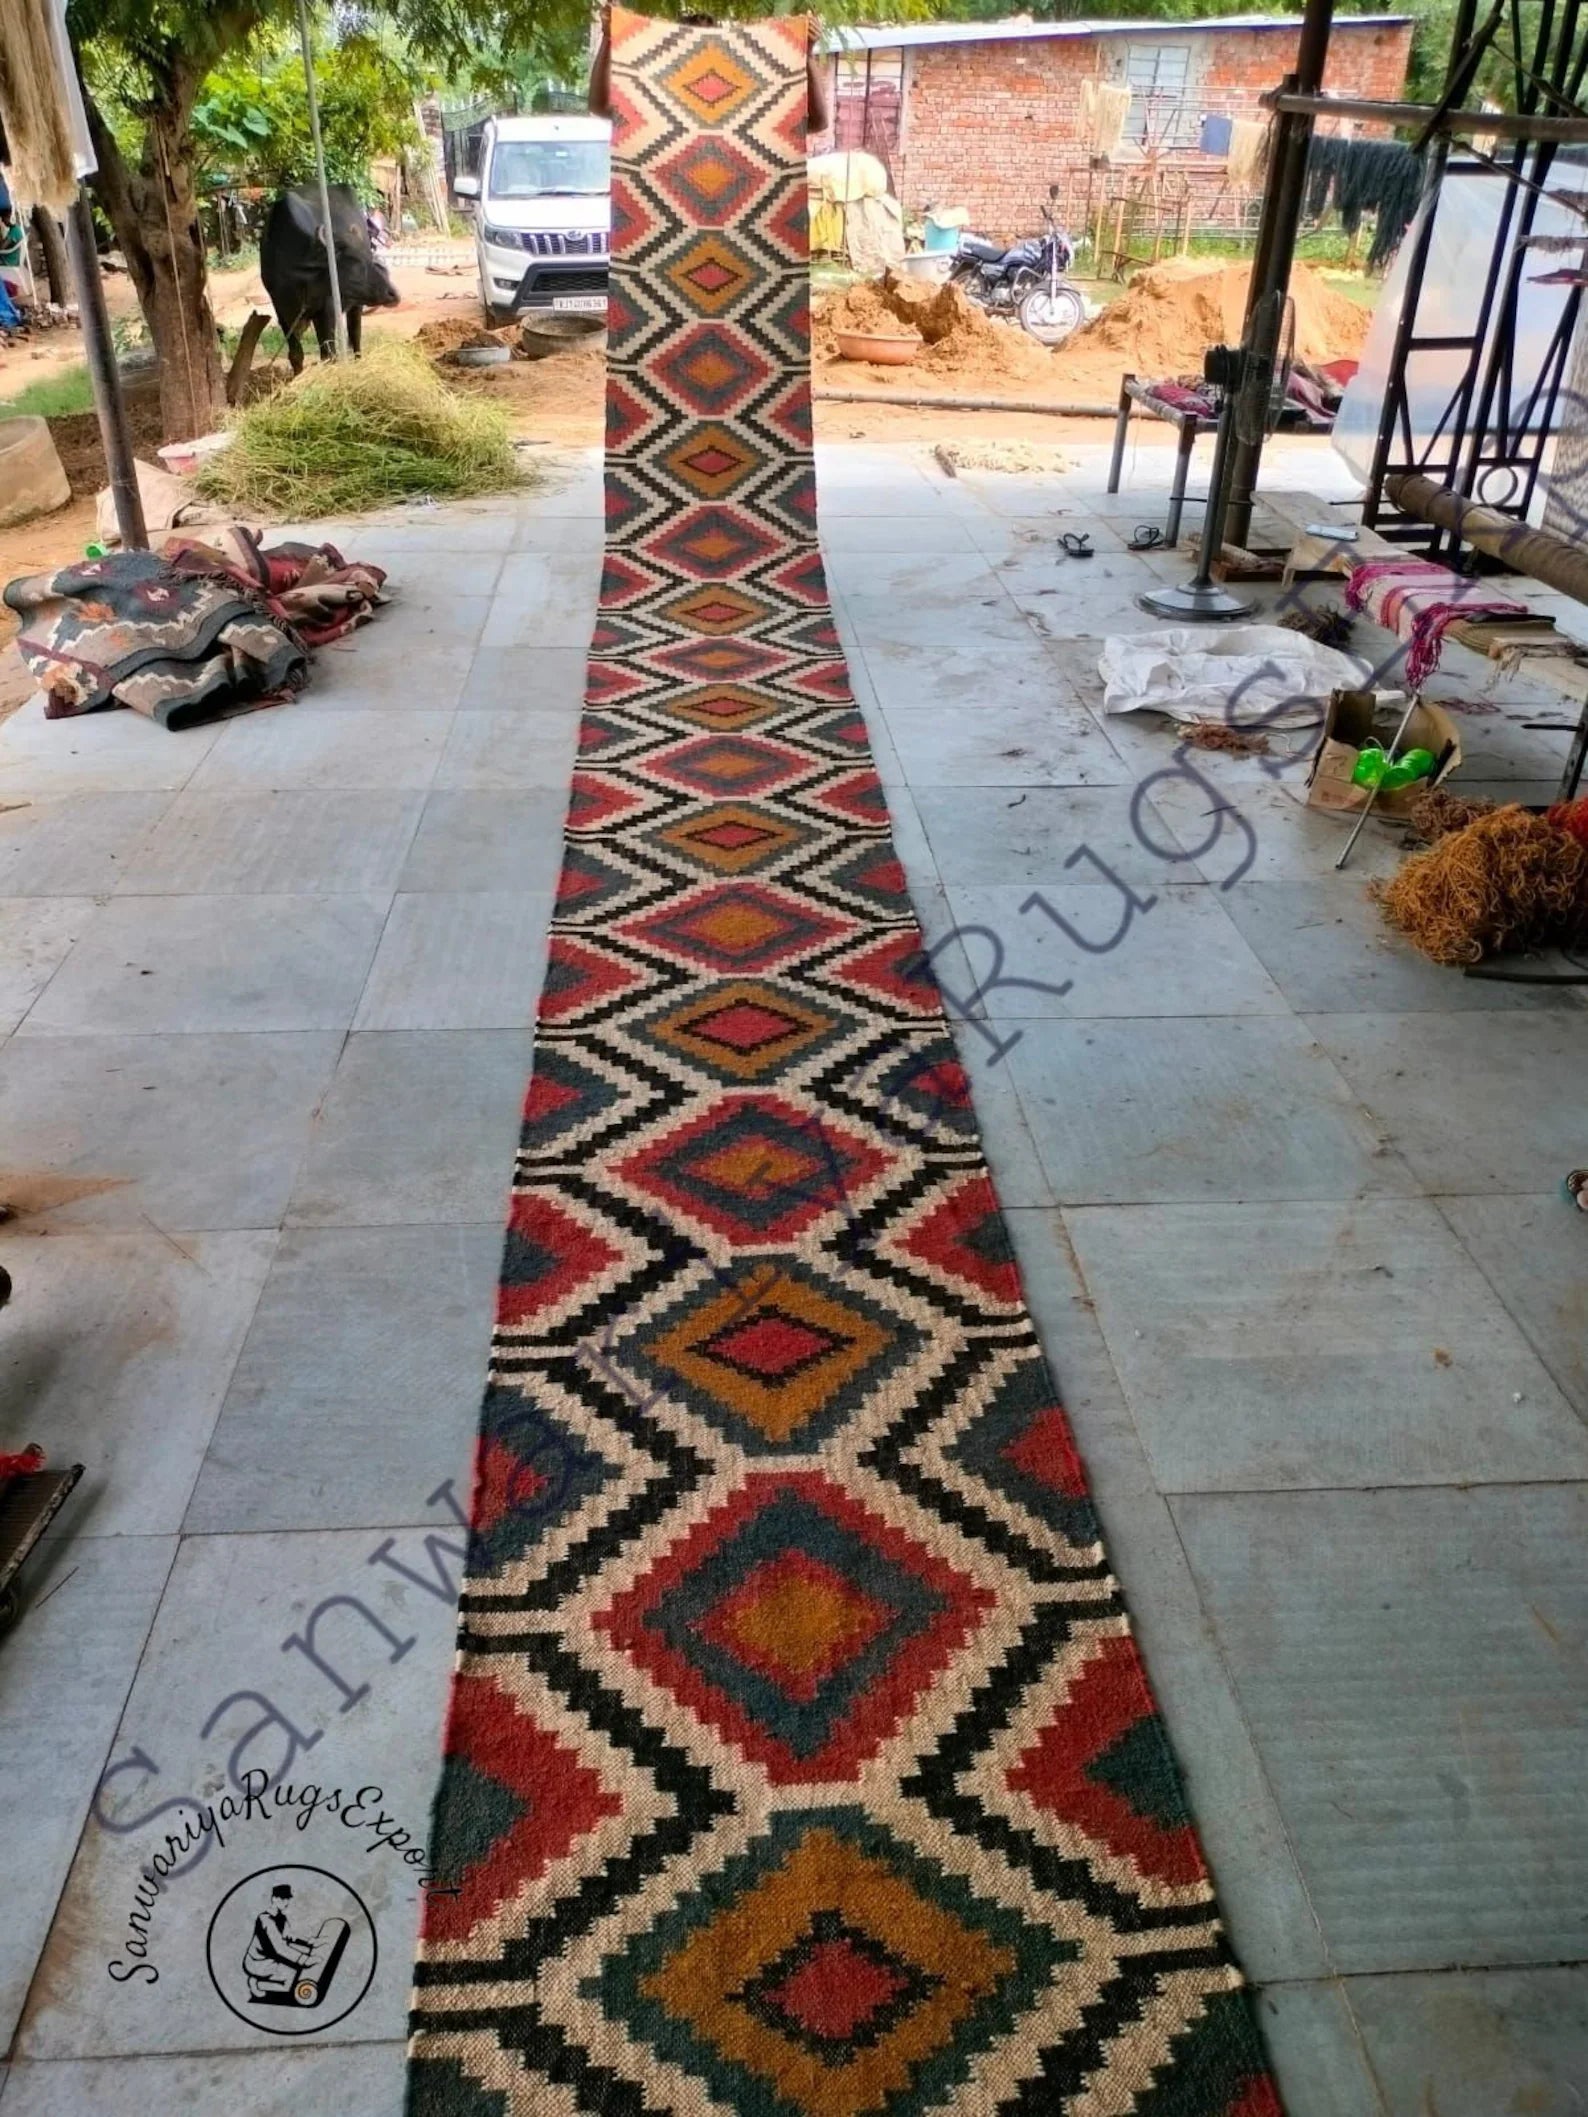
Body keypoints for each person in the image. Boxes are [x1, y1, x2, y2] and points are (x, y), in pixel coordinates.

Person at [242, 1882, 312, 1999]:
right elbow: (279, 1948)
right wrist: (305, 1959)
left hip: (271, 1959)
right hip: (258, 1963)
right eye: (283, 1899)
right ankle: (257, 1983)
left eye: (288, 1899)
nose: (286, 1902)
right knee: (290, 1979)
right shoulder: (265, 1919)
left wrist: (310, 1942)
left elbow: (290, 1936)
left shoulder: (281, 1917)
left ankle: (261, 1980)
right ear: (274, 1899)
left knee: (296, 1972)